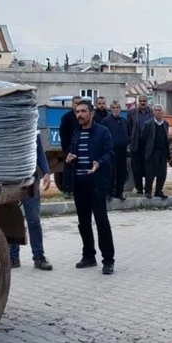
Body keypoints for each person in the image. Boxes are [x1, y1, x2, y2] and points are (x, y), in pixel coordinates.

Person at [66, 99, 115, 274]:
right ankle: (89, 256)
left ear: (91, 113)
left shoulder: (103, 132)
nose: (79, 115)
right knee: (83, 222)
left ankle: (108, 260)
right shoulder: (76, 133)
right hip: (80, 185)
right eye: (77, 112)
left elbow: (110, 154)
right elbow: (74, 152)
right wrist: (71, 159)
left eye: (83, 111)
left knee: (101, 222)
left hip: (96, 185)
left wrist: (99, 164)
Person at [10, 134, 53, 270]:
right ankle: (12, 257)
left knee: (34, 220)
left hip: (30, 180)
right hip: (11, 179)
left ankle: (39, 257)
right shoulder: (7, 123)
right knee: (12, 219)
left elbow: (39, 150)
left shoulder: (31, 124)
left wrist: (46, 171)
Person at [127, 94, 154, 196]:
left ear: (147, 102)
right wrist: (131, 140)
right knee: (136, 168)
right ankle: (139, 189)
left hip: (148, 145)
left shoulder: (152, 113)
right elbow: (128, 128)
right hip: (136, 144)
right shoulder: (132, 113)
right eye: (141, 101)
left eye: (144, 101)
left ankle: (148, 190)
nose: (143, 103)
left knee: (149, 169)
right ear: (138, 102)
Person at [103, 99, 130, 201]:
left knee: (122, 173)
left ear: (120, 109)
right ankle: (108, 193)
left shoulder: (124, 121)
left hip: (123, 151)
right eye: (113, 108)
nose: (116, 110)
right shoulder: (106, 121)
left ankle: (119, 193)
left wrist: (127, 141)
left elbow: (129, 133)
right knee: (110, 173)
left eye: (117, 107)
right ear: (110, 109)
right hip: (111, 151)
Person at [58, 95, 81, 196]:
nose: (77, 105)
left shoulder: (82, 117)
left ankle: (75, 189)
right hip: (69, 147)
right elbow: (63, 133)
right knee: (68, 169)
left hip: (80, 146)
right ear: (72, 104)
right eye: (76, 103)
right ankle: (66, 190)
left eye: (79, 104)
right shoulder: (67, 117)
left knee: (78, 169)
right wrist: (66, 148)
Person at [147, 104, 170, 200]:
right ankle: (148, 191)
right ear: (153, 112)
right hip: (152, 152)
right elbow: (144, 138)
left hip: (162, 152)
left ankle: (158, 191)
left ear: (162, 112)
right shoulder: (148, 124)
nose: (158, 112)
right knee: (151, 173)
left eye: (159, 110)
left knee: (162, 173)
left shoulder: (165, 124)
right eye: (156, 110)